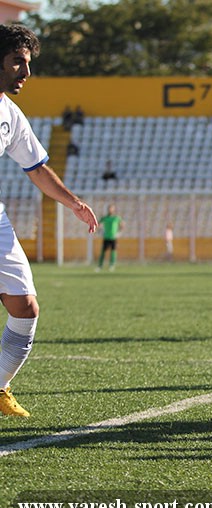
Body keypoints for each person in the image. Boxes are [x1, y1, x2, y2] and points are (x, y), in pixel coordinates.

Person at [0, 24, 98, 417]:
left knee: (25, 307)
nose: (26, 73)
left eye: (28, 64)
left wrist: (73, 203)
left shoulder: (9, 113)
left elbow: (37, 168)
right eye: (17, 63)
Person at [96, 204, 122, 272]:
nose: (111, 210)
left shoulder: (116, 218)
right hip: (106, 237)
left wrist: (119, 233)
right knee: (103, 252)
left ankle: (112, 265)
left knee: (113, 251)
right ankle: (100, 266)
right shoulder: (105, 218)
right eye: (110, 208)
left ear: (114, 209)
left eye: (112, 208)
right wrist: (100, 231)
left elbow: (122, 225)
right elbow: (98, 224)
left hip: (113, 237)